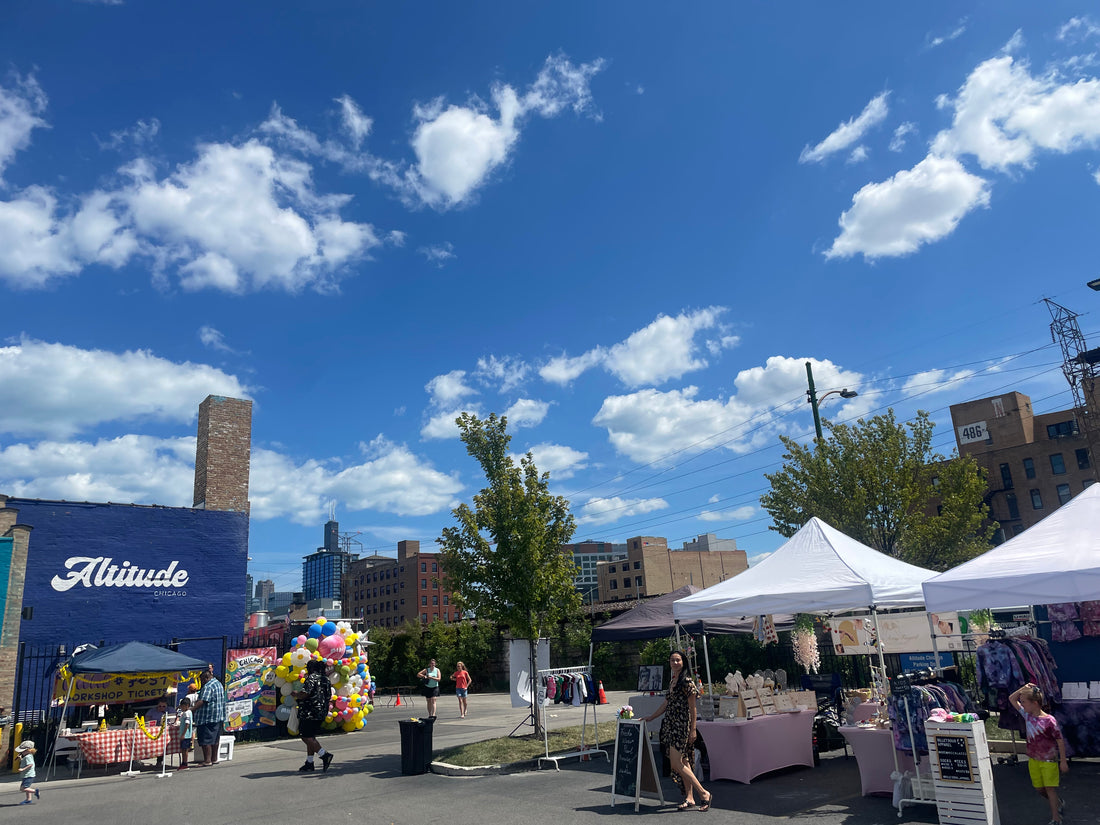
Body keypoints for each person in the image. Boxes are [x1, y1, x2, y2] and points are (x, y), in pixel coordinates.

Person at [642, 650, 712, 812]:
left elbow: (693, 708)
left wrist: (693, 730)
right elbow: (666, 704)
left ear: (683, 662)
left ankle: (704, 793)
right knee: (684, 761)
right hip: (670, 726)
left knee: (676, 763)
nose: (675, 663)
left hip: (682, 727)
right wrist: (651, 717)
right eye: (672, 660)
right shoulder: (673, 681)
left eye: (678, 660)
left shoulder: (687, 682)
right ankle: (690, 797)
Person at [1009, 682, 1068, 825]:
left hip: (1048, 760)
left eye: (1024, 702)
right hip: (1033, 759)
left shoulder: (1049, 721)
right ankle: (1058, 803)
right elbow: (1012, 699)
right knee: (1040, 789)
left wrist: (1063, 761)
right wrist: (1023, 689)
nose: (1021, 705)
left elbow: (1059, 740)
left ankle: (1056, 818)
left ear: (1034, 703)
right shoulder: (1027, 716)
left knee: (1050, 789)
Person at [293, 659, 335, 772]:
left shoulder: (311, 678)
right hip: (321, 712)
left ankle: (325, 755)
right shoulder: (325, 679)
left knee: (305, 735)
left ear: (311, 668)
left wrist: (296, 694)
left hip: (309, 712)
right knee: (311, 736)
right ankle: (309, 762)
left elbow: (305, 693)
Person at [191, 669, 227, 767]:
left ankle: (207, 760)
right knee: (215, 739)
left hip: (207, 717)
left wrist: (192, 709)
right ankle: (214, 758)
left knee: (206, 740)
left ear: (206, 678)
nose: (202, 682)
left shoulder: (208, 686)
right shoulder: (218, 683)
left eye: (202, 680)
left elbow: (203, 700)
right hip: (218, 716)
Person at [15, 740, 40, 805]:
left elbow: (30, 764)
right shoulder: (28, 756)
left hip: (28, 775)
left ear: (28, 750)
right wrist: (20, 758)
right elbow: (25, 762)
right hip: (27, 775)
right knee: (27, 787)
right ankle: (28, 799)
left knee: (23, 788)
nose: (21, 752)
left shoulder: (28, 757)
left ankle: (35, 791)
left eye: (23, 751)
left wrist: (23, 769)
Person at [177, 697, 194, 770]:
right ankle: (183, 762)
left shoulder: (187, 713)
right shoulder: (187, 712)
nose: (181, 707)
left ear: (187, 706)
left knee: (184, 750)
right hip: (184, 734)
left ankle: (185, 763)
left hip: (186, 735)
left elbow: (187, 724)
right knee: (183, 749)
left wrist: (183, 734)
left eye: (182, 706)